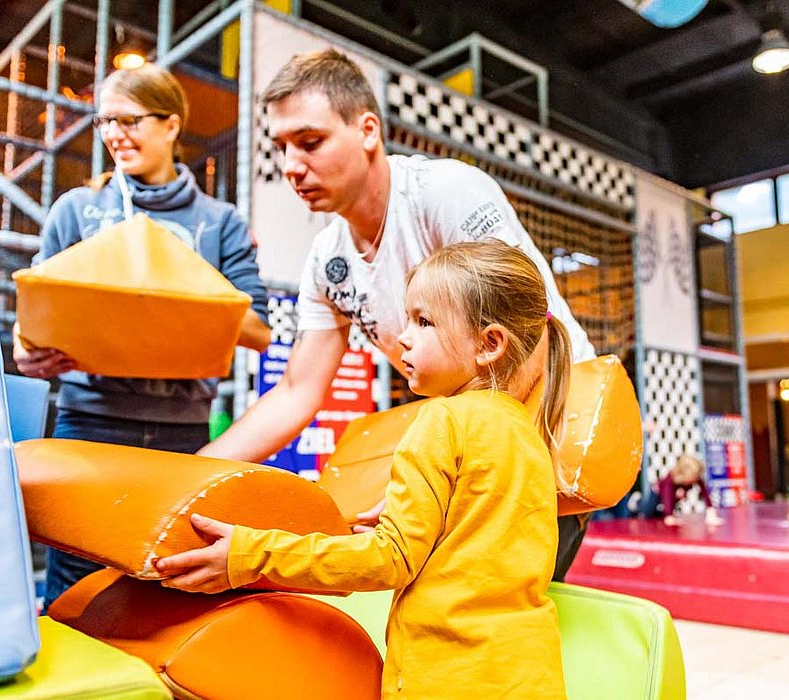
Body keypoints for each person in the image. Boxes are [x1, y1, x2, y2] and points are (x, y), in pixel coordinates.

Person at [201, 48, 595, 581]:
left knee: (492, 617)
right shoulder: (327, 261)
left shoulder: (444, 194)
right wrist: (196, 474)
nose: (292, 165)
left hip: (548, 419)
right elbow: (297, 391)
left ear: (367, 131)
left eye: (310, 142)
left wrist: (444, 486)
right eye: (282, 147)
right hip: (463, 438)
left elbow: (530, 338)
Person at [157, 240, 568, 699]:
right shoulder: (531, 433)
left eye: (424, 321)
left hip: (450, 679)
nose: (403, 337)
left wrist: (249, 554)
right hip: (531, 677)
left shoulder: (442, 419)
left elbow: (388, 560)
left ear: (489, 344)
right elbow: (484, 551)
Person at [13, 63, 270, 609]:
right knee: (75, 588)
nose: (113, 134)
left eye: (129, 120)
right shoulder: (77, 211)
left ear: (172, 125)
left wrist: (179, 307)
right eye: (105, 121)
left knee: (166, 580)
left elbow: (259, 330)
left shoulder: (219, 222)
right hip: (89, 426)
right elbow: (30, 325)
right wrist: (32, 352)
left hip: (183, 433)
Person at [642, 454, 721, 525]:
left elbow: (704, 491)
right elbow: (668, 497)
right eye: (693, 479)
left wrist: (710, 509)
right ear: (684, 475)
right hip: (657, 494)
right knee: (648, 513)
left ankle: (662, 512)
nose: (695, 482)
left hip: (673, 497)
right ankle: (637, 504)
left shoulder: (695, 478)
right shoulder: (669, 481)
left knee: (661, 513)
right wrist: (669, 515)